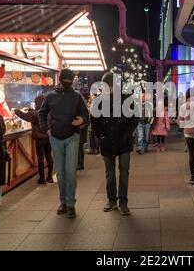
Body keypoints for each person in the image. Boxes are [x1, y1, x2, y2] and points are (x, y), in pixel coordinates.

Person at [38, 69, 89, 218]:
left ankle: (71, 203)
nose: (68, 82)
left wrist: (82, 120)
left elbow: (86, 114)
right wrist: (46, 129)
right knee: (60, 173)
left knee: (70, 171)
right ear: (61, 80)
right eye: (67, 80)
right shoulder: (50, 96)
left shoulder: (77, 97)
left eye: (70, 80)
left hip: (72, 136)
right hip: (55, 137)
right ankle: (63, 202)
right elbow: (41, 113)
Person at [91, 73, 139, 215]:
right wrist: (102, 136)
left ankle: (123, 201)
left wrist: (127, 133)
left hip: (123, 142)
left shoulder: (126, 99)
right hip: (107, 142)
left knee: (124, 172)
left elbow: (135, 117)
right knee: (110, 173)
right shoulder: (99, 101)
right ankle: (112, 200)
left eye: (110, 85)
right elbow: (94, 121)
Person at [14, 95, 54, 184]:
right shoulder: (50, 112)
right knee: (49, 157)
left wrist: (16, 110)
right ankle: (50, 177)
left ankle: (42, 178)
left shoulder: (34, 114)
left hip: (39, 139)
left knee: (40, 158)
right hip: (49, 138)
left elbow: (23, 115)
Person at [77, 91, 90, 170]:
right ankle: (80, 163)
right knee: (80, 147)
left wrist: (80, 126)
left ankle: (80, 163)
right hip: (81, 130)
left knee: (79, 147)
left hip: (81, 130)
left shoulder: (83, 111)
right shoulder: (83, 109)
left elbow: (86, 121)